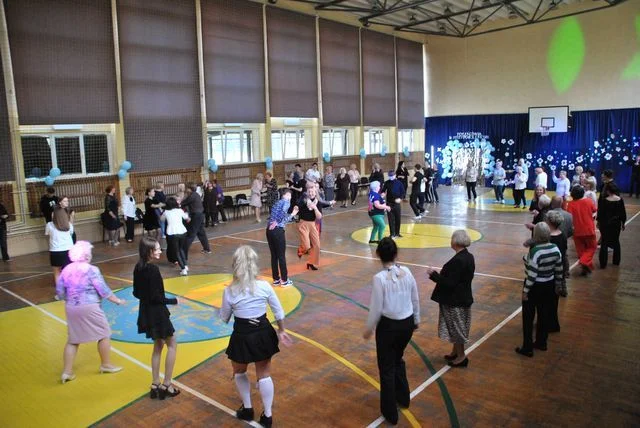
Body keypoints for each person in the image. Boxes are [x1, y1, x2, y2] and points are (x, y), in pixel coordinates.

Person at [220, 246, 292, 428]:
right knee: (264, 375)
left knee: (239, 371)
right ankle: (267, 416)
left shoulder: (229, 291)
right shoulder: (264, 286)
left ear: (235, 266)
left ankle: (247, 408)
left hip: (242, 335)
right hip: (263, 333)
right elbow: (278, 311)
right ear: (254, 265)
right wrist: (282, 330)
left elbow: (224, 318)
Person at [363, 238, 419, 426]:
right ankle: (403, 397)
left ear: (378, 255)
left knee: (386, 367)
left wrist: (369, 329)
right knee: (397, 359)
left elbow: (376, 308)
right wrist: (416, 319)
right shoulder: (407, 272)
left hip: (388, 327)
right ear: (396, 254)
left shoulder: (379, 279)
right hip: (407, 324)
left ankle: (390, 413)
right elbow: (415, 297)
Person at [56, 241, 124, 383]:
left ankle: (67, 372)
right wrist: (117, 300)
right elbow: (103, 289)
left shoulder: (66, 269)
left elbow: (60, 292)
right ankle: (106, 364)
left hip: (71, 307)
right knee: (104, 334)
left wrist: (70, 299)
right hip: (90, 306)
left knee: (73, 340)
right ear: (87, 255)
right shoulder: (91, 269)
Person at [133, 237, 180, 399]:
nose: (160, 251)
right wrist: (174, 301)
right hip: (158, 313)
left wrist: (146, 297)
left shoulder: (138, 267)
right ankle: (167, 384)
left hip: (146, 312)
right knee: (172, 344)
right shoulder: (153, 270)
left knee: (158, 346)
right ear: (149, 252)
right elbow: (157, 297)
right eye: (158, 249)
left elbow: (136, 293)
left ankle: (155, 384)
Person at [426, 230, 475, 367]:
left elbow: (450, 283)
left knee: (456, 328)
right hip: (463, 297)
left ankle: (461, 356)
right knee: (456, 326)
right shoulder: (469, 256)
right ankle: (455, 352)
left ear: (455, 242)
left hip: (455, 300)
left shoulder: (458, 260)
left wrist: (434, 275)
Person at [515, 223, 563, 358]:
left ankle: (527, 347)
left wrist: (525, 291)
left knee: (528, 317)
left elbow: (532, 275)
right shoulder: (555, 248)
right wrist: (558, 285)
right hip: (549, 285)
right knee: (544, 314)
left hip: (535, 287)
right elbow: (559, 269)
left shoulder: (535, 251)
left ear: (536, 235)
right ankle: (542, 342)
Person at [266, 189, 299, 287]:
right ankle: (284, 280)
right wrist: (293, 214)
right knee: (281, 256)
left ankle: (276, 279)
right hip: (278, 231)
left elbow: (274, 215)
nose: (290, 198)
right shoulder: (286, 202)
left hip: (269, 230)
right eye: (290, 196)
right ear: (287, 195)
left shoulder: (277, 203)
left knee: (274, 256)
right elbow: (283, 216)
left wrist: (276, 221)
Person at [567, 186, 597, 276]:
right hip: (589, 229)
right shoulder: (588, 201)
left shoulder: (570, 204)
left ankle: (586, 267)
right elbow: (594, 210)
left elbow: (569, 217)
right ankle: (584, 262)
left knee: (581, 250)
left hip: (577, 230)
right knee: (592, 247)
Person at [546, 210, 568, 333]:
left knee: (546, 300)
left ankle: (547, 323)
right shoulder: (562, 235)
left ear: (550, 221)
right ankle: (553, 323)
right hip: (559, 269)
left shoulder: (548, 238)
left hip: (550, 271)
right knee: (554, 299)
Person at [596, 183, 626, 268]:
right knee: (616, 241)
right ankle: (616, 261)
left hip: (605, 224)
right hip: (616, 224)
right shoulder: (620, 200)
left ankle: (603, 263)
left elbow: (601, 213)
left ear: (608, 191)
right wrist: (623, 223)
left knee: (604, 242)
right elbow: (622, 213)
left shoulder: (604, 200)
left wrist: (598, 222)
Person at [296, 182, 323, 271]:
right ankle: (301, 249)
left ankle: (312, 263)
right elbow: (297, 205)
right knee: (307, 246)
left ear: (315, 193)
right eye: (309, 192)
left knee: (317, 245)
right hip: (303, 223)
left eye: (313, 192)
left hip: (312, 224)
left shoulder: (318, 203)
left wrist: (315, 208)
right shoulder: (303, 201)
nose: (311, 193)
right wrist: (296, 207)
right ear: (307, 192)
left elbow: (319, 217)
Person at [47, 206, 74, 289]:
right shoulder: (68, 224)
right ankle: (71, 288)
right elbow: (71, 233)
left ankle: (60, 291)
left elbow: (48, 234)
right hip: (68, 251)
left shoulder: (49, 225)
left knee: (57, 272)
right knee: (70, 271)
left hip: (55, 252)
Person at [181, 183, 212, 258]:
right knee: (201, 233)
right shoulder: (196, 194)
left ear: (190, 189)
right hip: (200, 215)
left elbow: (183, 203)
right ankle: (207, 249)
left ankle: (183, 252)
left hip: (196, 216)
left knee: (191, 234)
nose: (186, 189)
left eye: (187, 188)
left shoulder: (192, 196)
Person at [161, 197, 189, 276]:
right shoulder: (179, 210)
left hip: (172, 233)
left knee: (177, 252)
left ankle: (183, 269)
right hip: (182, 231)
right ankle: (185, 266)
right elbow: (186, 217)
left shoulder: (166, 212)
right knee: (181, 249)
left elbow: (161, 219)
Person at [382, 171, 405, 239]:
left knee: (398, 218)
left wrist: (400, 199)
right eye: (389, 176)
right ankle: (392, 234)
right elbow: (383, 190)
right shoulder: (387, 182)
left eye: (392, 175)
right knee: (391, 219)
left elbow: (403, 192)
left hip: (397, 204)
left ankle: (397, 233)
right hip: (389, 203)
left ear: (395, 175)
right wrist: (383, 194)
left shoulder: (399, 183)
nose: (391, 177)